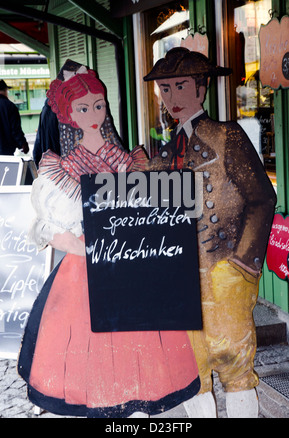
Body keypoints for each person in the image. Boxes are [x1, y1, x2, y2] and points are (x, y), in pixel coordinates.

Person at [17, 62, 200, 418]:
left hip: (130, 267)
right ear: (69, 114)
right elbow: (41, 225)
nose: (93, 114)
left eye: (99, 105)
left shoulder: (130, 161)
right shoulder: (60, 168)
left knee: (142, 365)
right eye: (83, 108)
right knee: (94, 364)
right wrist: (69, 241)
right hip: (83, 274)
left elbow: (153, 214)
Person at [144, 47, 277, 418]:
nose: (172, 98)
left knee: (235, 365)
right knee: (191, 366)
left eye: (180, 86)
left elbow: (262, 199)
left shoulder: (227, 136)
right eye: (165, 89)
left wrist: (243, 266)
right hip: (179, 278)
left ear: (201, 90)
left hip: (224, 273)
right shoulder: (165, 152)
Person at [0, 79, 29, 155]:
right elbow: (15, 129)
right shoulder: (10, 106)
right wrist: (22, 143)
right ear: (5, 90)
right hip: (6, 150)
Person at [33, 98, 60, 168]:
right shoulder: (67, 111)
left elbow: (39, 140)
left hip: (47, 164)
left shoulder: (45, 109)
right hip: (63, 166)